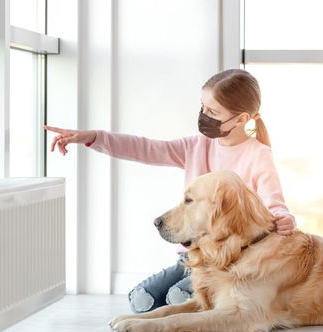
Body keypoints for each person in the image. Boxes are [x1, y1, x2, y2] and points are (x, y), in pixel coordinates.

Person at [44, 68, 296, 313]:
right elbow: (146, 148)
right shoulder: (196, 146)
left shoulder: (258, 155)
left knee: (180, 297)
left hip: (229, 262)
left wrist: (283, 216)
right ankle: (192, 304)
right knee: (140, 300)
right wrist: (93, 137)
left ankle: (199, 307)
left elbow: (272, 199)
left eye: (212, 111)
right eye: (203, 107)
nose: (204, 115)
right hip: (193, 257)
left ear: (241, 119)